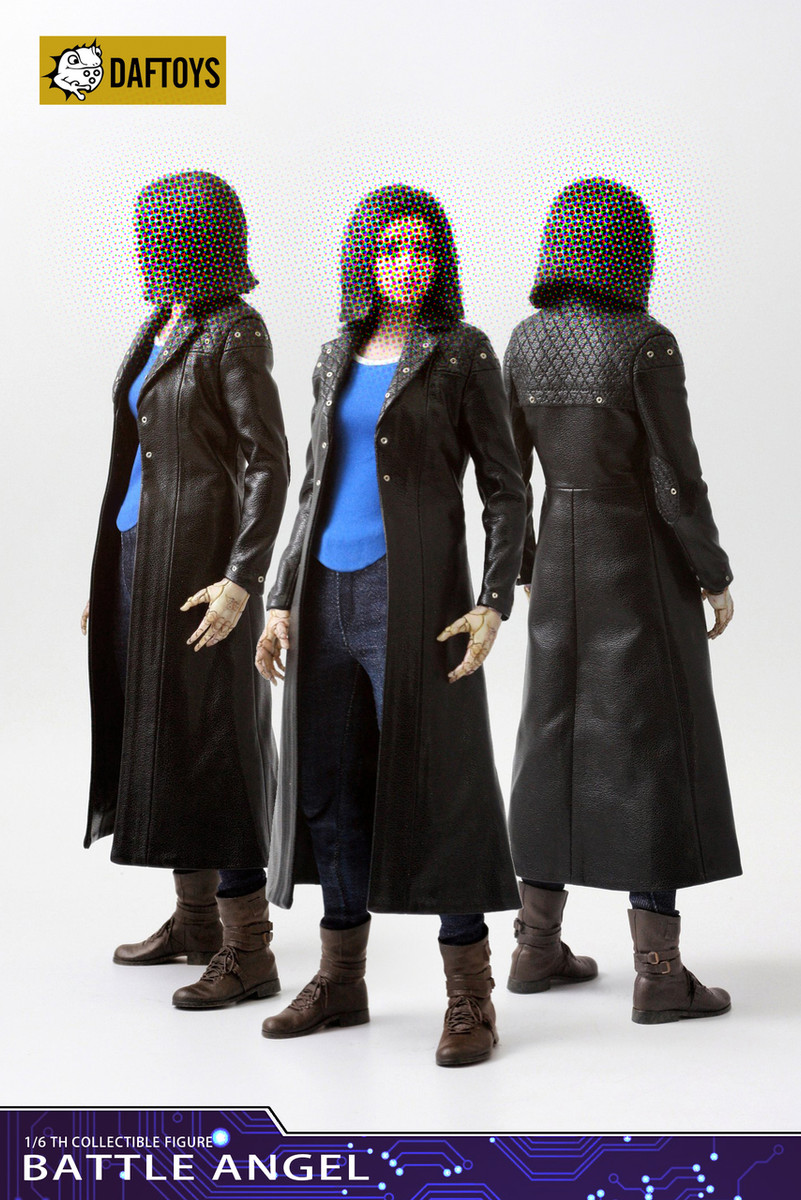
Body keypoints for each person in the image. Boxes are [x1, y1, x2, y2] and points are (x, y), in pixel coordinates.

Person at [255, 183, 526, 1066]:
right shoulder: (333, 354)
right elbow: (312, 485)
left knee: (440, 785)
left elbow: (505, 490)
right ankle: (340, 981)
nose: (406, 263)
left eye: (421, 248)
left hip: (417, 601)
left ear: (439, 260)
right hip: (323, 598)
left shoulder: (462, 352)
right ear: (363, 259)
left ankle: (469, 997)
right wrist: (280, 597)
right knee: (329, 789)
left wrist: (491, 599)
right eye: (389, 247)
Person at [504, 177, 741, 1024]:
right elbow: (674, 479)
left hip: (557, 565)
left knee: (548, 741)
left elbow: (508, 475)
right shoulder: (645, 343)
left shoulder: (523, 342)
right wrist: (710, 570)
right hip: (635, 562)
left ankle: (534, 947)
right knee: (647, 749)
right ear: (629, 249)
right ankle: (659, 973)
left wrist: (522, 564)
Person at [82, 170, 290, 1010]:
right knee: (167, 737)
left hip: (204, 569)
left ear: (190, 240)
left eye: (153, 236)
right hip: (145, 557)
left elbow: (269, 462)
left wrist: (243, 580)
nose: (140, 252)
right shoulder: (162, 322)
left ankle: (250, 950)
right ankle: (197, 921)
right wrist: (111, 575)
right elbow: (138, 454)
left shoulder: (234, 330)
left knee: (215, 745)